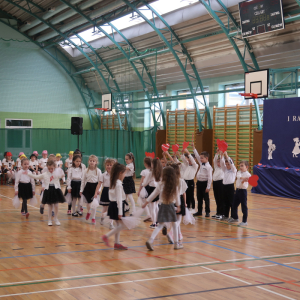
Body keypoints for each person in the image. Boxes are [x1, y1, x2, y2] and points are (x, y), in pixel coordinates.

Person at [142, 166, 181, 250]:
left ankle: (151, 240)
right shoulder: (175, 185)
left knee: (160, 225)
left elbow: (154, 194)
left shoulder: (160, 184)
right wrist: (178, 205)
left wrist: (146, 202)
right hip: (170, 206)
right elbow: (177, 197)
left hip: (162, 206)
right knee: (174, 224)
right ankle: (176, 244)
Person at [26, 160, 65, 226]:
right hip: (48, 190)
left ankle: (56, 218)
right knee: (50, 206)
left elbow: (63, 175)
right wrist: (28, 174)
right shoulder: (45, 174)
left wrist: (62, 172)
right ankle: (49, 220)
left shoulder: (56, 173)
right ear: (47, 168)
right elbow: (36, 177)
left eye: (52, 169)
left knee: (56, 205)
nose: (50, 170)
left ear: (54, 167)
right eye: (49, 169)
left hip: (56, 190)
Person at [101, 163, 128, 250]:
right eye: (124, 173)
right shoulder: (118, 184)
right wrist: (120, 211)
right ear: (120, 173)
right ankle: (106, 236)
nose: (125, 175)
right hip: (117, 206)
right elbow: (119, 199)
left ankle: (117, 243)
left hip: (113, 205)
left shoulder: (113, 182)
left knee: (118, 225)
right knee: (122, 225)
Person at [191, 143, 212, 217]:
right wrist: (193, 148)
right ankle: (199, 211)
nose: (200, 159)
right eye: (200, 158)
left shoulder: (209, 167)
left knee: (206, 198)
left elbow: (210, 177)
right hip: (199, 183)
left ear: (206, 158)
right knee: (199, 197)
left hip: (205, 183)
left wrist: (208, 187)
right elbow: (196, 155)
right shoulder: (201, 163)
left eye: (202, 158)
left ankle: (207, 212)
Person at [80, 155, 102, 225]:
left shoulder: (98, 171)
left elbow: (100, 182)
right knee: (88, 203)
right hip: (88, 187)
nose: (92, 162)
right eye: (90, 161)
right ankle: (89, 211)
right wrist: (81, 190)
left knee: (94, 204)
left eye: (93, 161)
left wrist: (99, 189)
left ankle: (93, 218)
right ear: (88, 161)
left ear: (96, 162)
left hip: (95, 188)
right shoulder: (86, 170)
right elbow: (83, 181)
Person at [142, 158, 163, 229]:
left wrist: (142, 184)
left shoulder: (151, 173)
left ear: (153, 164)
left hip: (152, 190)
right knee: (156, 206)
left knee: (152, 208)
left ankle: (154, 223)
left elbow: (145, 183)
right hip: (159, 190)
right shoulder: (161, 172)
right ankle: (157, 221)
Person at [229, 161, 251, 226]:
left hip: (243, 192)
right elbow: (239, 177)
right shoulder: (238, 172)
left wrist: (244, 181)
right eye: (240, 166)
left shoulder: (248, 175)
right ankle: (235, 218)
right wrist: (244, 179)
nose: (240, 167)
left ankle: (244, 221)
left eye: (242, 166)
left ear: (246, 167)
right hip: (237, 191)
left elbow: (244, 183)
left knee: (243, 206)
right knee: (234, 205)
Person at [98, 158, 115, 229]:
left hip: (113, 192)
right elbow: (99, 184)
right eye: (107, 165)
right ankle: (102, 218)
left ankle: (111, 223)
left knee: (112, 208)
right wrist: (97, 191)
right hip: (105, 191)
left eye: (111, 165)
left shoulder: (115, 175)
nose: (109, 166)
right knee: (104, 208)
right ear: (105, 166)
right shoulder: (103, 175)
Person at [220, 151, 237, 221]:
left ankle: (233, 217)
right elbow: (222, 164)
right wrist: (221, 155)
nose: (227, 166)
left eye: (228, 164)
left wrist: (226, 156)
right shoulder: (225, 170)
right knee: (225, 202)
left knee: (231, 202)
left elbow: (232, 164)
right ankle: (226, 215)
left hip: (230, 187)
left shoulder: (234, 170)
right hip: (224, 187)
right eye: (226, 164)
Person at [181, 149, 198, 214]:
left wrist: (188, 152)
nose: (189, 162)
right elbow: (184, 160)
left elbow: (193, 161)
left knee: (191, 195)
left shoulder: (195, 166)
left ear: (194, 160)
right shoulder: (188, 165)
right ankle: (187, 207)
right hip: (185, 181)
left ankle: (193, 208)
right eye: (189, 160)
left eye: (191, 160)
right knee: (186, 195)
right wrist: (182, 154)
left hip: (190, 182)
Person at [137, 157, 152, 223]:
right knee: (151, 202)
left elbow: (142, 182)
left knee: (144, 202)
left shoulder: (144, 171)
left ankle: (149, 215)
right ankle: (151, 215)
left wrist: (139, 190)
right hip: (152, 187)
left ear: (145, 164)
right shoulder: (153, 170)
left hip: (145, 187)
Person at [212, 150, 224, 220]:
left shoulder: (223, 168)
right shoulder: (216, 167)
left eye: (219, 161)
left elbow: (222, 162)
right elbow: (214, 160)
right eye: (217, 161)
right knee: (216, 198)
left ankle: (222, 213)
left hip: (221, 183)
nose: (218, 163)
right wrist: (217, 153)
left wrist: (221, 155)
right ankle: (218, 212)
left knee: (221, 198)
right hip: (215, 183)